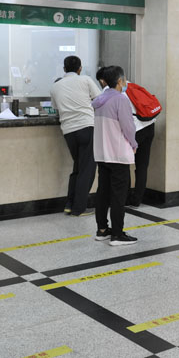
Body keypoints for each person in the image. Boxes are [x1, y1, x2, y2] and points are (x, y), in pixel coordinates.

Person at [92, 66, 138, 246]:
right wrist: (134, 143)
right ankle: (117, 234)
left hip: (102, 153)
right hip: (117, 154)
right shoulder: (120, 99)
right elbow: (128, 126)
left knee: (103, 192)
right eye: (124, 79)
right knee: (119, 195)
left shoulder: (99, 100)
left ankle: (102, 230)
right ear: (119, 81)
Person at [50, 56, 101, 216]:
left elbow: (55, 107)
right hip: (86, 127)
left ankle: (70, 204)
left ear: (64, 69)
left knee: (78, 167)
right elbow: (100, 99)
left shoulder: (55, 86)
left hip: (68, 131)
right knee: (87, 169)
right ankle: (79, 208)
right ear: (80, 68)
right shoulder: (85, 80)